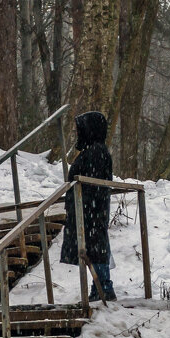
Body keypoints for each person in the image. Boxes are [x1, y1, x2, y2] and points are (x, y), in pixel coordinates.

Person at [60, 111, 115, 301]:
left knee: (95, 248)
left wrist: (84, 202)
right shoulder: (94, 151)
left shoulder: (96, 152)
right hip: (88, 208)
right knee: (94, 248)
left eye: (81, 129)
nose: (78, 134)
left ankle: (103, 288)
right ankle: (100, 287)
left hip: (91, 209)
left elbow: (94, 182)